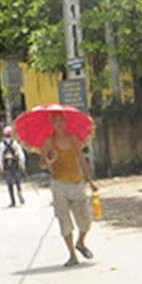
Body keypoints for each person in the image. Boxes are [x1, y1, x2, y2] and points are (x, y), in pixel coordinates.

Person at [39, 112, 98, 267]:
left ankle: (80, 243)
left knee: (85, 219)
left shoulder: (73, 138)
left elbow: (82, 159)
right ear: (52, 124)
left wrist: (90, 180)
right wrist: (48, 160)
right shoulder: (48, 141)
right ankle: (72, 255)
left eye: (61, 120)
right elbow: (42, 164)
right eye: (56, 121)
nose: (59, 124)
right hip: (58, 184)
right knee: (64, 220)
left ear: (65, 122)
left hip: (77, 181)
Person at [0, 126, 26, 208]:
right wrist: (22, 164)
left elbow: (0, 156)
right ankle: (19, 192)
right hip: (15, 163)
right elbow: (21, 154)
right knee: (17, 181)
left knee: (9, 183)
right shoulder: (15, 143)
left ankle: (12, 201)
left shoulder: (2, 144)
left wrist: (1, 166)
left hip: (7, 165)